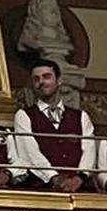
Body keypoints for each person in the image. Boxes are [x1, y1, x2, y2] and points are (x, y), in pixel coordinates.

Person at [13, 58, 95, 192]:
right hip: (42, 188)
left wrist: (80, 177)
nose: (41, 82)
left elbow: (89, 150)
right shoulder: (23, 115)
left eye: (47, 77)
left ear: (59, 81)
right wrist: (53, 178)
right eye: (36, 79)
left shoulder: (81, 116)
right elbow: (29, 152)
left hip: (80, 188)